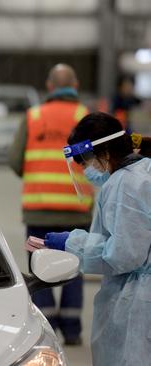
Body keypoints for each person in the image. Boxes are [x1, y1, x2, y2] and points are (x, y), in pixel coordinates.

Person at [41, 112, 151, 366]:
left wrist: (72, 244)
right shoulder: (143, 172)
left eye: (87, 161)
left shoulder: (126, 185)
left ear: (105, 153)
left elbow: (124, 255)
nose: (88, 170)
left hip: (138, 306)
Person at [8, 63, 91, 345]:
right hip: (77, 211)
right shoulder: (84, 117)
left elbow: (14, 160)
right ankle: (72, 330)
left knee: (39, 267)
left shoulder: (33, 116)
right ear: (75, 85)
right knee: (74, 266)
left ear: (49, 86)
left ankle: (45, 328)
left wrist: (36, 173)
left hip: (39, 209)